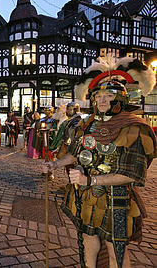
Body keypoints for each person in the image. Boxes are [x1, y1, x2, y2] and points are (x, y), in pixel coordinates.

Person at [43, 55, 156, 268]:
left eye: (108, 95)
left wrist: (89, 181)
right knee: (88, 241)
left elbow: (132, 174)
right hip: (86, 198)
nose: (101, 100)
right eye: (98, 95)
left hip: (117, 201)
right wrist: (56, 165)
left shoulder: (135, 127)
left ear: (121, 97)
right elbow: (76, 153)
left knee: (116, 252)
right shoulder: (87, 125)